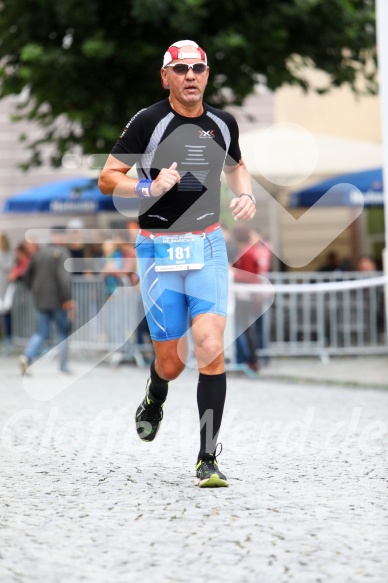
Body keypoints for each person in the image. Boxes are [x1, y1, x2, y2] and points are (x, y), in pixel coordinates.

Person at [98, 40, 256, 488]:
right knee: (171, 363)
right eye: (181, 69)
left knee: (209, 346)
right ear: (165, 76)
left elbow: (237, 165)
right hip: (158, 249)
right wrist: (148, 189)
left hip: (206, 246)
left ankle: (207, 458)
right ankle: (155, 393)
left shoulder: (222, 123)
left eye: (199, 68)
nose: (191, 76)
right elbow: (108, 177)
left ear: (207, 75)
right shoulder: (149, 121)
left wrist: (243, 193)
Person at [18, 227, 74, 375]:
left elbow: (27, 275)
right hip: (58, 299)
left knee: (41, 332)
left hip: (41, 299)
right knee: (63, 332)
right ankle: (63, 366)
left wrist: (34, 290)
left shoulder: (39, 253)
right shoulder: (62, 253)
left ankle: (26, 356)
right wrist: (68, 298)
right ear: (61, 237)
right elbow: (64, 278)